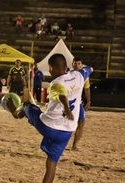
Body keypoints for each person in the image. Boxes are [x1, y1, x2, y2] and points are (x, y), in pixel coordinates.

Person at [6, 53, 93, 183]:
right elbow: (90, 69)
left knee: (26, 105)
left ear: (52, 68)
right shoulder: (79, 75)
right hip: (67, 131)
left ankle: (15, 112)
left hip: (48, 126)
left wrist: (67, 109)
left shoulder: (56, 83)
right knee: (51, 166)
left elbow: (62, 96)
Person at [71, 57, 91, 151]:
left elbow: (86, 88)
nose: (77, 65)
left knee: (82, 122)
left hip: (78, 103)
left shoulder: (84, 76)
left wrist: (89, 100)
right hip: (69, 102)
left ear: (81, 65)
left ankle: (75, 145)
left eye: (79, 63)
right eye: (75, 63)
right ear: (72, 64)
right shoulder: (69, 74)